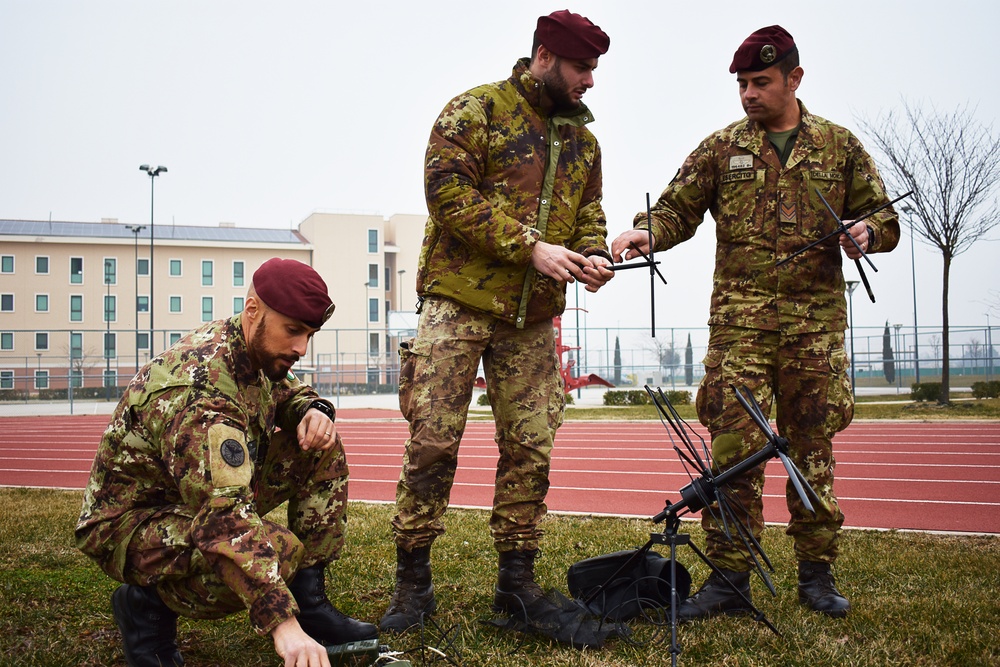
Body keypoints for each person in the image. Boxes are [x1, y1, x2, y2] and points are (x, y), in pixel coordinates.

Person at [611, 25, 899, 620]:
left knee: (810, 451)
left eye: (760, 82)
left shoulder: (839, 148)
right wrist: (648, 232)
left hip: (813, 331)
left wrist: (866, 233)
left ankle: (816, 577)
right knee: (733, 449)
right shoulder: (722, 149)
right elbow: (676, 208)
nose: (748, 94)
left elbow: (883, 217)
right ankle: (730, 580)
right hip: (740, 328)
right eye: (742, 83)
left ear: (794, 78)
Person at [380, 9, 616, 639]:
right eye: (582, 67)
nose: (590, 81)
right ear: (545, 56)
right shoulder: (476, 111)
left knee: (530, 447)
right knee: (432, 441)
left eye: (594, 68)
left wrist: (594, 257)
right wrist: (530, 247)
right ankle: (413, 585)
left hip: (532, 317)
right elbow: (447, 195)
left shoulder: (584, 144)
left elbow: (589, 213)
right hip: (458, 301)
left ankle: (517, 584)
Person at [76, 258, 377, 667]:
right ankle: (145, 606)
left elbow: (285, 390)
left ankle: (311, 603)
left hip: (194, 494)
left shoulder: (250, 346)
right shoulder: (201, 390)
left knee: (321, 443)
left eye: (309, 334)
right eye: (293, 330)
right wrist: (283, 627)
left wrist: (314, 409)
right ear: (253, 310)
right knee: (277, 550)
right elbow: (224, 519)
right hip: (131, 522)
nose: (301, 348)